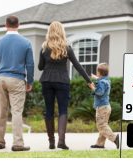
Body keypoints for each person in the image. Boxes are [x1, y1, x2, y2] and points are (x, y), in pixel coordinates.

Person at [38, 21, 94, 150]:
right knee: (63, 110)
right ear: (62, 31)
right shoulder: (66, 48)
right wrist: (89, 81)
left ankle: (51, 142)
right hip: (62, 81)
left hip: (47, 80)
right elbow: (77, 65)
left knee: (49, 111)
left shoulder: (44, 48)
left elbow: (40, 67)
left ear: (49, 32)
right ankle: (61, 141)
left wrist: (47, 61)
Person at [0, 15, 34, 152]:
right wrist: (30, 81)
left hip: (1, 79)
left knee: (0, 111)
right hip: (17, 79)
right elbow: (30, 64)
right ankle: (18, 143)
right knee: (17, 112)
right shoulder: (26, 42)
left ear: (5, 25)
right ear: (18, 25)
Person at [89, 63, 119, 149]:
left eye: (97, 72)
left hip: (102, 107)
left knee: (101, 125)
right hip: (106, 106)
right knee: (103, 124)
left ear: (99, 72)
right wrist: (96, 77)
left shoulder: (101, 82)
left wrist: (92, 87)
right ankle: (100, 143)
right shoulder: (106, 80)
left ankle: (114, 138)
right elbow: (101, 81)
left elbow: (99, 92)